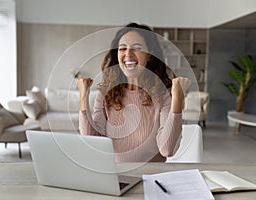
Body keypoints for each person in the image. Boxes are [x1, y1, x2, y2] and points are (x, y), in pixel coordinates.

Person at [76, 22, 190, 162]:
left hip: (152, 177)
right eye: (122, 48)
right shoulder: (106, 93)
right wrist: (83, 96)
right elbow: (92, 141)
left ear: (150, 55)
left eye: (137, 48)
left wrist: (177, 97)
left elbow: (167, 149)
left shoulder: (163, 94)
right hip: (116, 176)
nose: (128, 54)